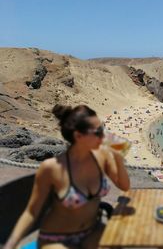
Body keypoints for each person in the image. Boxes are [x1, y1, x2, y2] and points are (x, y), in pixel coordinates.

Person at [4, 104, 130, 249]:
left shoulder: (103, 156)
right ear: (78, 136)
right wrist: (10, 245)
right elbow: (31, 212)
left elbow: (124, 185)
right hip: (57, 238)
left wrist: (119, 160)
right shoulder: (52, 168)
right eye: (98, 131)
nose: (104, 135)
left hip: (91, 231)